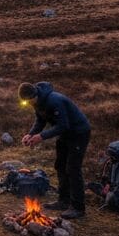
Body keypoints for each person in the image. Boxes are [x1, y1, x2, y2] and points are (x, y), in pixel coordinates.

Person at [19, 82, 91, 219]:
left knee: (73, 169)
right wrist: (31, 134)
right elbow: (40, 120)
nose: (28, 104)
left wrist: (41, 136)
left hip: (78, 133)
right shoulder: (37, 102)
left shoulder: (54, 101)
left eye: (28, 101)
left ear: (34, 95)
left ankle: (78, 208)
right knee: (60, 166)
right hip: (65, 135)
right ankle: (64, 201)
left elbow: (63, 125)